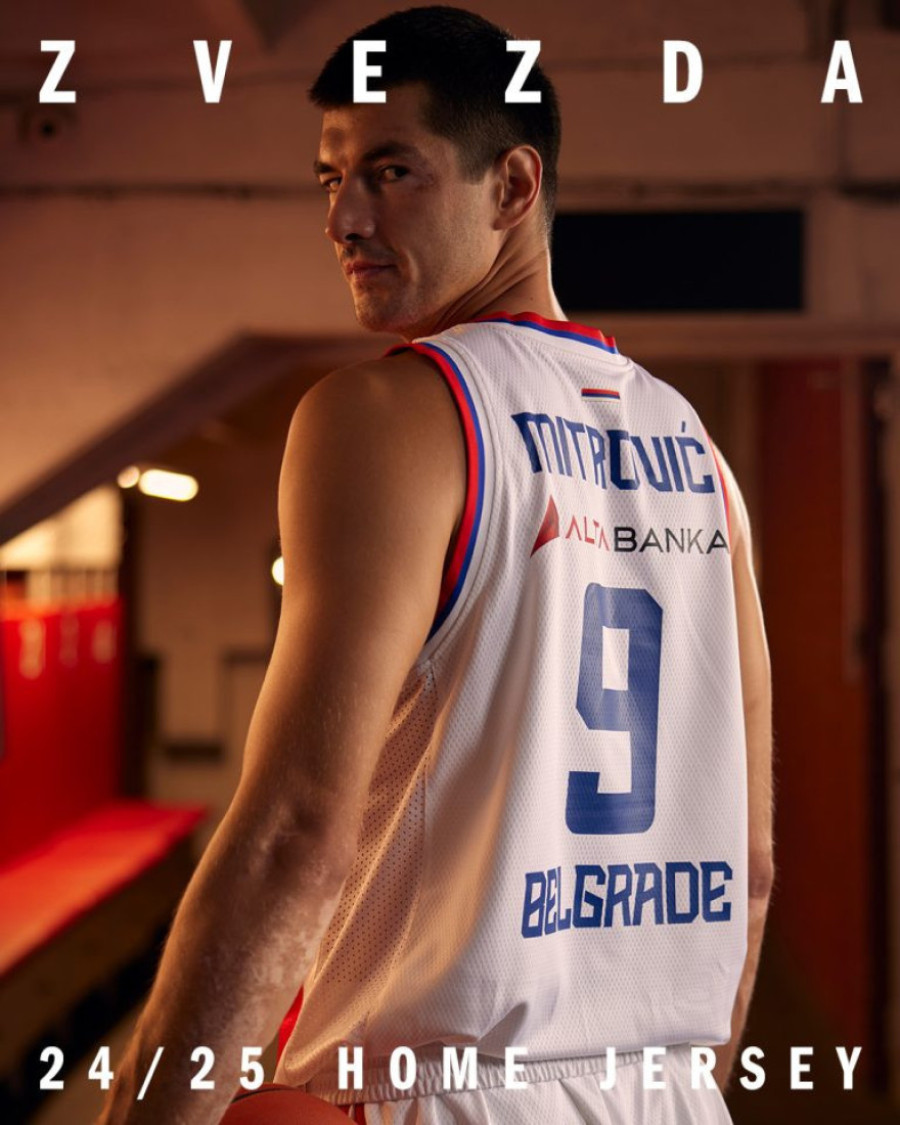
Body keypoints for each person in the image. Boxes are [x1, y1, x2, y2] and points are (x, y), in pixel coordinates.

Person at [98, 6, 773, 1124]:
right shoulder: (696, 450)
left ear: (512, 186)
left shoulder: (389, 416)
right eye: (330, 179)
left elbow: (294, 838)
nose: (343, 218)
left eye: (390, 171)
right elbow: (747, 857)